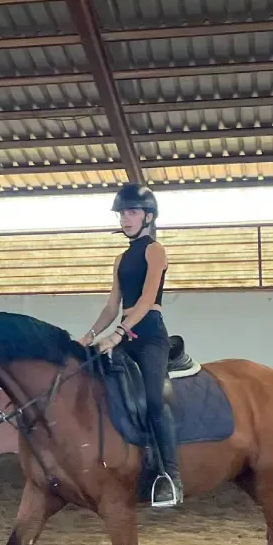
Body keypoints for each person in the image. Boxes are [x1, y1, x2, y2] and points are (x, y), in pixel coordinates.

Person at [78, 184, 183, 508]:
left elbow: (148, 299)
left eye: (132, 212)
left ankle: (171, 477)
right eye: (123, 213)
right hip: (124, 331)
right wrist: (90, 334)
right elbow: (112, 306)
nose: (126, 218)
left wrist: (119, 333)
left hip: (149, 334)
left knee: (152, 400)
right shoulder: (120, 259)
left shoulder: (155, 250)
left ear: (148, 216)